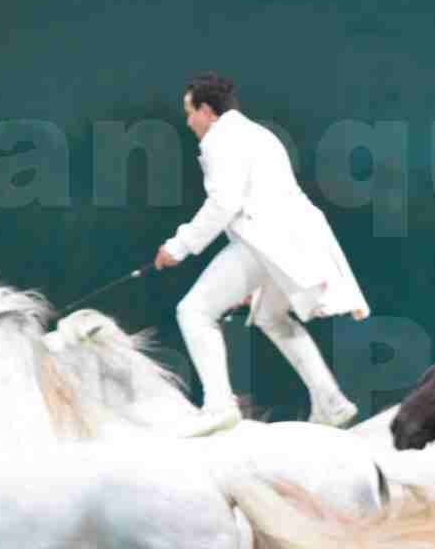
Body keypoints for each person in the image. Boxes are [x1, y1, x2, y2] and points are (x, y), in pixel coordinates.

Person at [155, 72, 368, 436]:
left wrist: (180, 245)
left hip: (266, 242)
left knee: (193, 311)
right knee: (271, 315)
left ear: (207, 110)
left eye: (190, 113)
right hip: (287, 242)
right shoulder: (256, 133)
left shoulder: (222, 140)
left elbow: (224, 203)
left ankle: (218, 404)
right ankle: (332, 402)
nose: (188, 121)